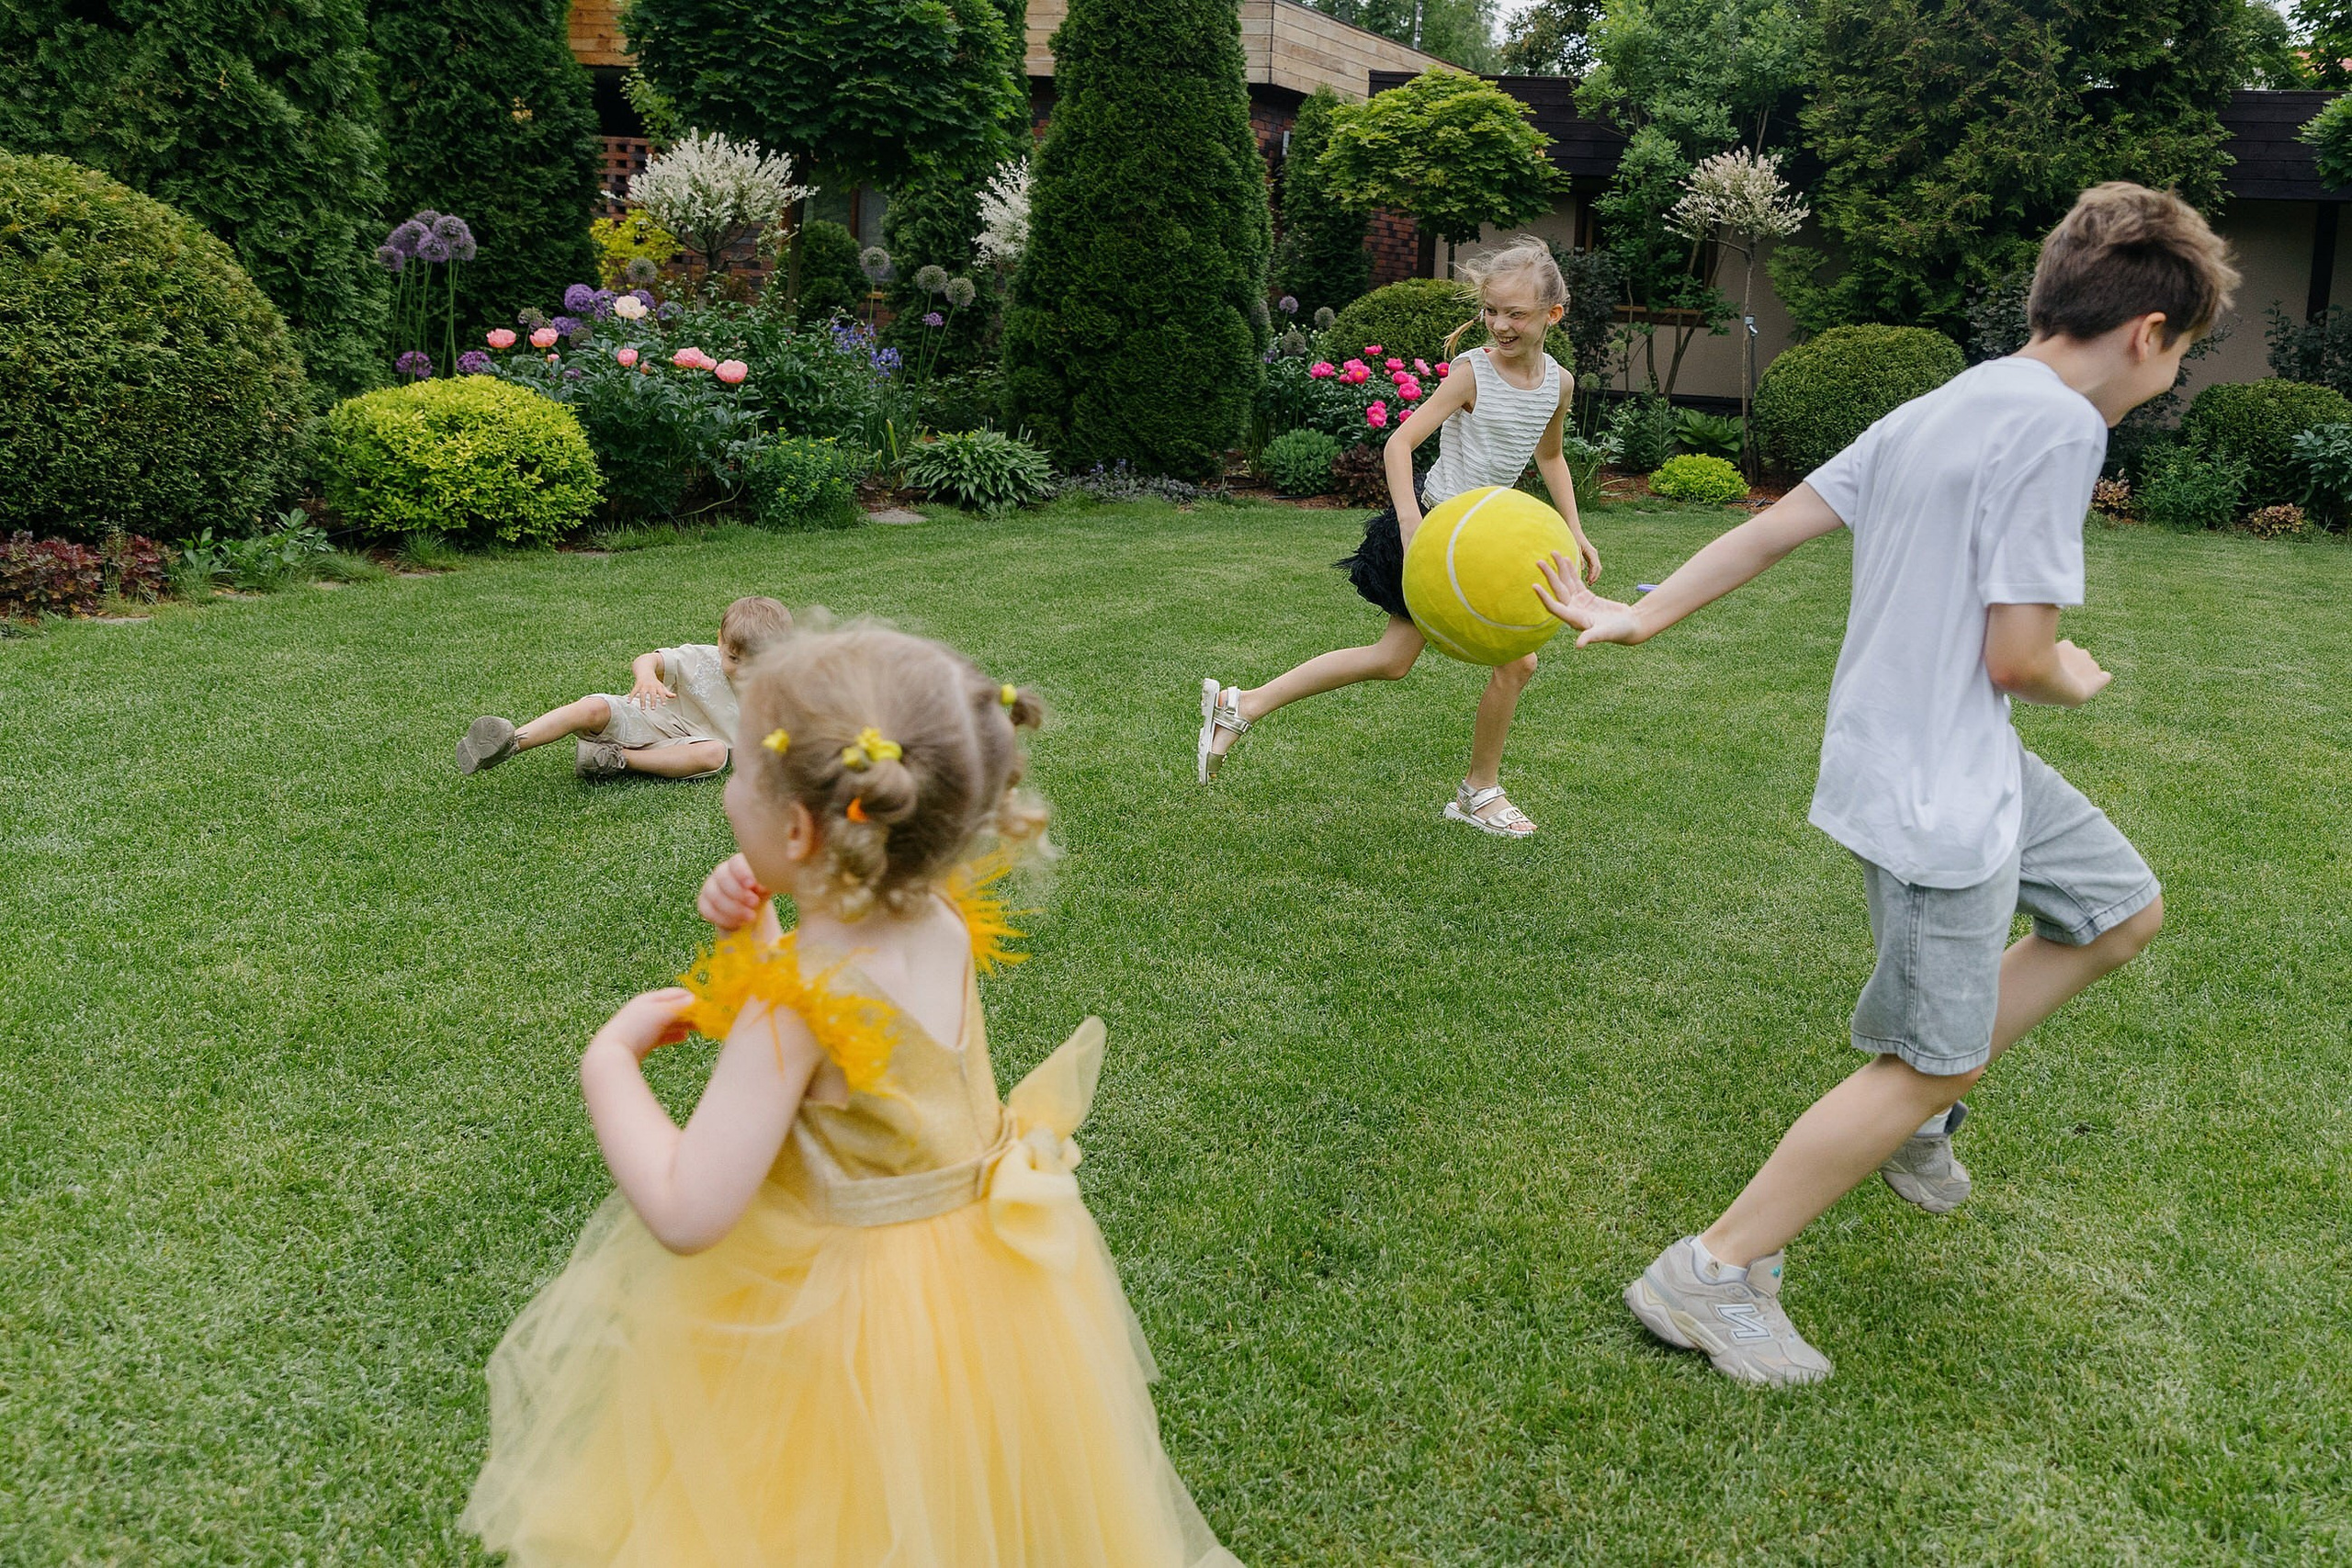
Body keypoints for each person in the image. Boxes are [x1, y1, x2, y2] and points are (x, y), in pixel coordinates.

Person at [1534, 183, 2233, 1385]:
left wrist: (1643, 612)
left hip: (1947, 754)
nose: (2165, 382)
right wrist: (2078, 676)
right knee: (1933, 1056)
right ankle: (1713, 1269)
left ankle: (1920, 1107)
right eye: (2180, 359)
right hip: (1936, 792)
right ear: (2149, 333)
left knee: (2120, 909)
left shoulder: (1947, 399)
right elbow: (2017, 654)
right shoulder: (2065, 427)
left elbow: (1770, 527)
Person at [461, 620, 1241, 1566]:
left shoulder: (793, 1011)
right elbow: (863, 1059)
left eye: (743, 771)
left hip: (840, 1329)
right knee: (955, 1514)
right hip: (981, 1297)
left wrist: (607, 1064)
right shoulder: (943, 920)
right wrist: (761, 932)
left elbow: (686, 1207)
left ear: (795, 830)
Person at [1197, 236, 1601, 838]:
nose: (1500, 324)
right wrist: (1415, 526)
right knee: (1492, 661)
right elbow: (1399, 443)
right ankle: (1475, 791)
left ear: (1552, 315)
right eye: (1492, 310)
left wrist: (1575, 527)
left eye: (1515, 313)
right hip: (1435, 533)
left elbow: (1550, 456)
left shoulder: (1557, 385)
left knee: (1424, 661)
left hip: (1484, 547)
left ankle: (1241, 705)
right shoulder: (1472, 374)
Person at [455, 595, 793, 781]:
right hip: (649, 717)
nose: (742, 670)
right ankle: (509, 743)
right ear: (720, 642)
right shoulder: (700, 658)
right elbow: (649, 660)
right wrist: (646, 677)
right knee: (591, 708)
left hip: (685, 744)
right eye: (733, 658)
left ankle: (613, 759)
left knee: (715, 754)